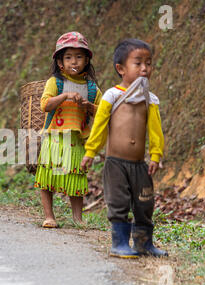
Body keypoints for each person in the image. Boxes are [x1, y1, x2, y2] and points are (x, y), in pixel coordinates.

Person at [81, 38, 168, 258]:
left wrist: (156, 155)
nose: (145, 68)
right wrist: (91, 152)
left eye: (148, 63)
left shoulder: (151, 99)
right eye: (137, 63)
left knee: (145, 203)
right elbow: (100, 126)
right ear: (121, 68)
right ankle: (119, 243)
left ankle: (143, 243)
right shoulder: (113, 95)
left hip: (140, 165)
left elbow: (155, 131)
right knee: (118, 203)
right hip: (116, 163)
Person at [34, 31, 102, 228]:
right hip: (54, 137)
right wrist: (64, 97)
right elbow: (45, 105)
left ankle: (77, 218)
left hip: (77, 140)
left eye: (79, 56)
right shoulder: (55, 82)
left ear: (87, 60)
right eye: (69, 57)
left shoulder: (92, 89)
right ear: (60, 63)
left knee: (77, 176)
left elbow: (103, 112)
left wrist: (88, 106)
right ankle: (49, 216)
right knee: (47, 175)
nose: (74, 61)